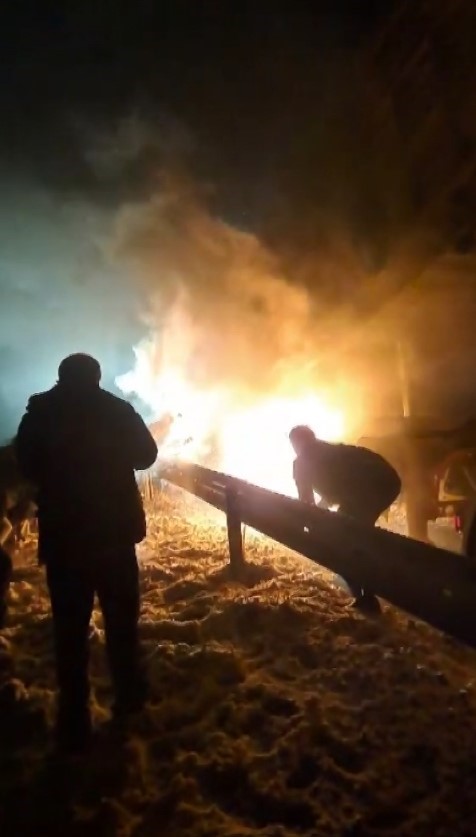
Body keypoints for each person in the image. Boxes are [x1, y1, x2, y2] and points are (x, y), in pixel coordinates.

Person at [15, 353, 158, 752]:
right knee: (121, 622)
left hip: (65, 538)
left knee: (69, 629)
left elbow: (26, 464)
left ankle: (74, 717)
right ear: (96, 377)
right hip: (113, 535)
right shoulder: (115, 410)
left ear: (61, 377)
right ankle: (129, 698)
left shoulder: (41, 413)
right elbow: (146, 455)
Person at [289, 425, 401, 614]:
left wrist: (307, 528)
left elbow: (307, 504)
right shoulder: (329, 451)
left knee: (341, 543)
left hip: (370, 487)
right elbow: (333, 489)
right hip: (387, 480)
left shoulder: (302, 462)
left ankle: (366, 595)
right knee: (354, 535)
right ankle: (371, 584)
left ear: (295, 443)